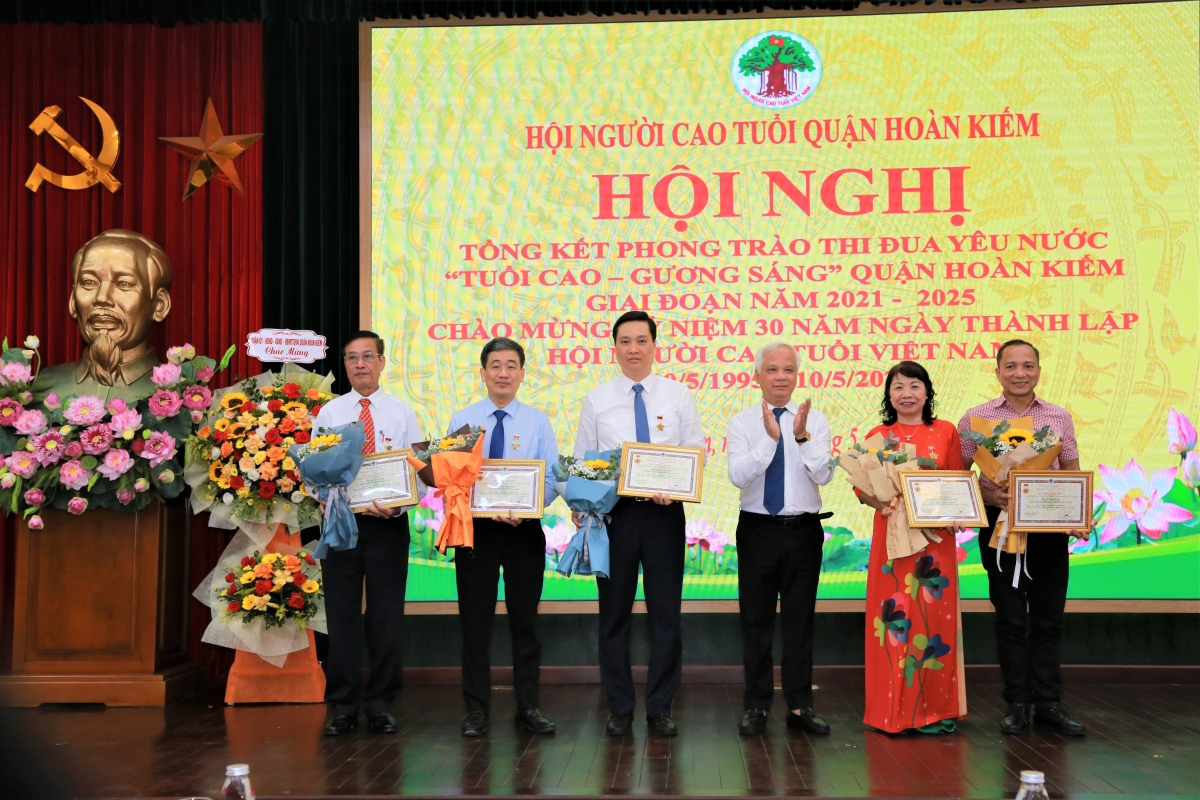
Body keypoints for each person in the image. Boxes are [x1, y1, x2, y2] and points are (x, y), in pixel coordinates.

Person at [572, 310, 705, 737]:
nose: (634, 349)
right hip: (615, 517)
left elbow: (695, 452)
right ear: (614, 348)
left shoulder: (678, 395)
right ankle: (620, 708)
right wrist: (582, 504)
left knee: (666, 614)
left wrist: (677, 488)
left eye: (641, 340)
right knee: (613, 614)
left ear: (654, 346)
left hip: (665, 515)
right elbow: (584, 460)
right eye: (625, 341)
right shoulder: (597, 399)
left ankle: (661, 708)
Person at [958, 340, 1088, 736]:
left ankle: (1049, 704)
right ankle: (1016, 704)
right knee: (1010, 620)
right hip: (999, 531)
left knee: (1048, 620)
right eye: (1011, 366)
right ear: (997, 371)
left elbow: (1071, 472)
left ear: (1038, 371)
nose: (1020, 373)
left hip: (1047, 531)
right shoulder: (975, 419)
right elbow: (957, 480)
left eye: (1028, 366)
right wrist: (990, 496)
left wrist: (1077, 514)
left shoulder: (1058, 417)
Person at [312, 331, 422, 736]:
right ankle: (343, 706)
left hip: (388, 525)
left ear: (382, 362)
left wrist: (400, 505)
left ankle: (380, 704)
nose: (360, 364)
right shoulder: (329, 413)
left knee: (385, 617)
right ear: (344, 364)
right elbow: (312, 469)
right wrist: (325, 496)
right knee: (341, 616)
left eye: (368, 356)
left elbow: (419, 471)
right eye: (352, 357)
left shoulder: (403, 412)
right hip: (341, 523)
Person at [448, 337, 558, 738]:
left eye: (511, 365)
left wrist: (528, 506)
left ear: (522, 374)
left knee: (525, 623)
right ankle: (476, 710)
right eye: (495, 365)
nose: (503, 373)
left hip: (522, 531)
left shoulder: (537, 421)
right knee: (475, 624)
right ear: (483, 373)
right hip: (475, 533)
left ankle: (528, 707)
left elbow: (552, 477)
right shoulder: (463, 420)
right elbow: (452, 479)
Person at [726, 342, 834, 736]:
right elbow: (738, 476)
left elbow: (825, 475)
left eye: (788, 369)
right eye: (772, 369)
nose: (780, 377)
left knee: (799, 622)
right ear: (757, 376)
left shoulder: (815, 420)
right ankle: (756, 705)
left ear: (796, 375)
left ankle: (801, 705)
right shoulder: (742, 422)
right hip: (757, 530)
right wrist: (770, 440)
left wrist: (801, 437)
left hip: (803, 531)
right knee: (755, 622)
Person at [858, 361, 967, 735]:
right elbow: (860, 487)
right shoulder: (878, 435)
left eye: (915, 386)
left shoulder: (946, 431)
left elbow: (957, 480)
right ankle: (891, 712)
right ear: (888, 395)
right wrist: (879, 502)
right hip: (893, 541)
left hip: (936, 542)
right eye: (898, 387)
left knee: (932, 621)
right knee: (895, 622)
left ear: (927, 392)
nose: (907, 394)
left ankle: (935, 710)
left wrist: (959, 511)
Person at [35, 229, 173, 404]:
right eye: (89, 282)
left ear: (159, 305)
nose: (102, 298)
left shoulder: (181, 394)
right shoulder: (45, 386)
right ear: (72, 301)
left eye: (124, 283)